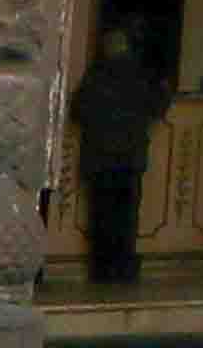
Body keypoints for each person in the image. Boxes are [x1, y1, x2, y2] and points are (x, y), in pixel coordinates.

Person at [69, 14, 177, 287]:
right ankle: (121, 269)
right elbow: (156, 106)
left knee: (101, 217)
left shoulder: (96, 74)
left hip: (100, 158)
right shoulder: (139, 74)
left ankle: (102, 270)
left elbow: (78, 111)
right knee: (125, 218)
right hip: (128, 158)